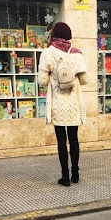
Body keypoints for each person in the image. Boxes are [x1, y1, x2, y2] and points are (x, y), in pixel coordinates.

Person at [38, 22, 88, 186]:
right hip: (73, 101)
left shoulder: (48, 53)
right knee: (74, 138)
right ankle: (75, 174)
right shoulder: (77, 53)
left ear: (54, 35)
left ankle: (65, 177)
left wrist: (54, 77)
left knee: (61, 140)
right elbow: (85, 80)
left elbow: (42, 81)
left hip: (58, 102)